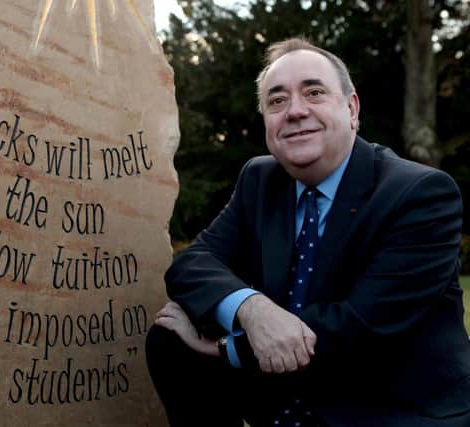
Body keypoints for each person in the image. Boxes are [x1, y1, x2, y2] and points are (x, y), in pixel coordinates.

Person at [145, 37, 470, 427]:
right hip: (284, 391)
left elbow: (360, 327)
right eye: (277, 101)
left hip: (393, 405)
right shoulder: (260, 179)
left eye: (314, 92)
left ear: (351, 109)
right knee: (172, 338)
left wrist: (227, 349)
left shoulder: (420, 193)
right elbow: (193, 263)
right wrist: (252, 308)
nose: (295, 111)